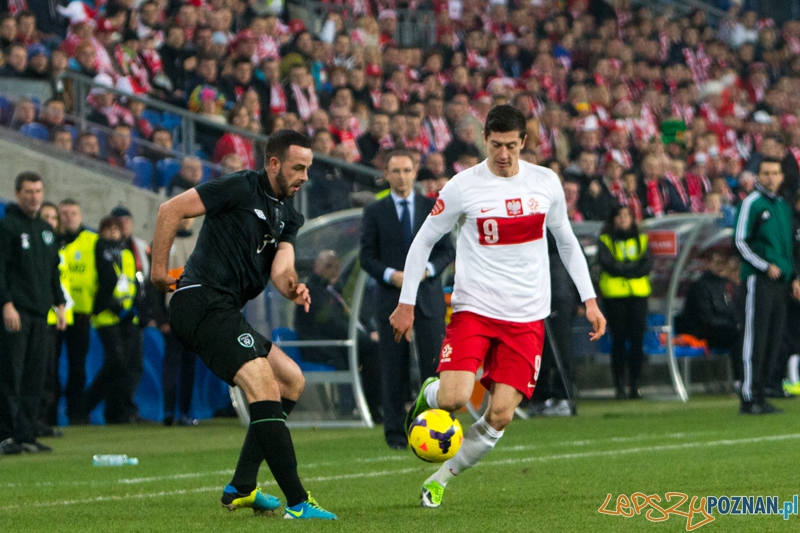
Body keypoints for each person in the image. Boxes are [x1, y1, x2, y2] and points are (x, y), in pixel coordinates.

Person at [389, 105, 605, 508]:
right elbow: (423, 241)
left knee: (500, 415)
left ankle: (440, 479)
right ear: (484, 140)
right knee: (454, 398)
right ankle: (430, 395)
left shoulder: (545, 182)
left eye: (510, 145)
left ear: (523, 142)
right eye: (495, 145)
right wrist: (407, 304)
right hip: (476, 309)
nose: (503, 154)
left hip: (527, 318)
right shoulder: (462, 186)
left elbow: (567, 242)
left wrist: (589, 300)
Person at [150, 130, 337, 520]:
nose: (304, 176)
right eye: (297, 168)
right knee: (263, 383)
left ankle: (241, 487)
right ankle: (299, 503)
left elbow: (282, 269)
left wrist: (293, 287)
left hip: (225, 310)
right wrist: (156, 272)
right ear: (273, 164)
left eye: (308, 169)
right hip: (199, 300)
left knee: (291, 380)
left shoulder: (290, 215)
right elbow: (170, 210)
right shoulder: (239, 187)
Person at [360, 149, 456, 451]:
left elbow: (446, 251)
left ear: (415, 172)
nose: (401, 177)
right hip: (390, 299)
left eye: (406, 170)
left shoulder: (432, 206)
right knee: (393, 368)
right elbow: (366, 257)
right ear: (386, 175)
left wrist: (425, 271)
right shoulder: (374, 211)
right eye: (395, 171)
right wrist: (392, 275)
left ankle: (438, 428)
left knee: (433, 367)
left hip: (427, 298)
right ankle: (396, 435)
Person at [0, 172, 66, 455]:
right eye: (28, 191)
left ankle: (26, 433)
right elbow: (1, 268)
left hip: (41, 314)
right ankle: (6, 435)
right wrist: (6, 303)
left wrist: (60, 304)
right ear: (17, 194)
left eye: (38, 191)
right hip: (17, 312)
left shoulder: (46, 230)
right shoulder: (7, 226)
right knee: (10, 375)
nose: (34, 196)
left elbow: (53, 271)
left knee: (35, 377)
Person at [734, 158, 795, 414]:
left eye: (776, 173)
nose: (771, 177)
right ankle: (749, 395)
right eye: (766, 173)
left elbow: (788, 247)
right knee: (755, 338)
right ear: (758, 176)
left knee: (773, 337)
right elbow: (740, 241)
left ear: (782, 177)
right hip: (758, 279)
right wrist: (763, 265)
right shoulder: (752, 203)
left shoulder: (782, 206)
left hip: (780, 282)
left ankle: (762, 391)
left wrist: (793, 277)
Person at [294, 250, 382, 420]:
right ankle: (364, 409)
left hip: (335, 343)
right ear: (316, 267)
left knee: (375, 349)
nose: (333, 270)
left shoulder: (331, 290)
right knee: (372, 350)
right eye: (328, 266)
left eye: (336, 266)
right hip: (320, 347)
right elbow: (330, 323)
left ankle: (371, 406)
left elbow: (349, 317)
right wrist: (364, 339)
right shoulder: (312, 291)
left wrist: (369, 333)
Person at [84, 217, 142, 424]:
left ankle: (118, 410)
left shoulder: (125, 254)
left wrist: (133, 309)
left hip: (125, 316)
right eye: (108, 230)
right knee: (117, 362)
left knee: (127, 365)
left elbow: (132, 283)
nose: (113, 234)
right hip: (106, 314)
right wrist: (104, 306)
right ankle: (86, 404)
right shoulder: (100, 250)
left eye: (116, 230)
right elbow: (105, 280)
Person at [597, 205, 652, 400]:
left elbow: (647, 264)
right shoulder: (605, 240)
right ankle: (619, 386)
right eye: (619, 215)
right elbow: (607, 263)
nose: (623, 219)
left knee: (637, 341)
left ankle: (635, 385)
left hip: (638, 295)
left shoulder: (642, 239)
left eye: (627, 215)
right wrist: (630, 269)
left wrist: (625, 269)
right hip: (615, 296)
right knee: (618, 340)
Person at [57, 199, 98, 424]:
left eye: (73, 213)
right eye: (64, 213)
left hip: (81, 313)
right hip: (54, 314)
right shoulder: (52, 239)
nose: (69, 217)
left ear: (80, 216)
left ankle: (76, 413)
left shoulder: (92, 241)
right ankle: (48, 414)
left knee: (77, 367)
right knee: (48, 367)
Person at [160, 217, 200, 427]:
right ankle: (168, 411)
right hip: (173, 313)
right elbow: (155, 283)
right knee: (174, 363)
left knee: (188, 364)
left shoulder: (201, 244)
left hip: (194, 314)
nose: (185, 220)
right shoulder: (165, 243)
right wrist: (161, 317)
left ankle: (183, 412)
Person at [37, 202, 70, 438]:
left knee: (49, 372)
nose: (50, 221)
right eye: (45, 216)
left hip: (53, 318)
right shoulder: (34, 246)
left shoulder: (57, 249)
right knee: (35, 373)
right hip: (35, 317)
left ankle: (43, 420)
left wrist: (61, 309)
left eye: (53, 217)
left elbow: (56, 282)